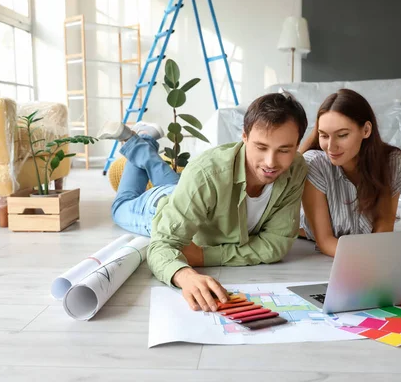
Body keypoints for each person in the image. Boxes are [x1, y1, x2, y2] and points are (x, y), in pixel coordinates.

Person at [97, 92, 308, 312]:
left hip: (191, 193)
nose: (271, 162)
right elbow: (161, 246)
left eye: (284, 150)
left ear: (297, 145)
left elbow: (276, 245)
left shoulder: (295, 168)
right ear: (244, 137)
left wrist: (204, 256)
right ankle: (138, 141)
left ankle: (143, 139)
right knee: (120, 206)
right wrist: (184, 275)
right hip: (159, 207)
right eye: (261, 147)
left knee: (185, 183)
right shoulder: (206, 173)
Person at [298, 88, 401, 257]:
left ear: (366, 130)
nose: (331, 147)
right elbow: (325, 240)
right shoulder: (314, 162)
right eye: (324, 135)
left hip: (360, 246)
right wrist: (365, 258)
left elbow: (385, 222)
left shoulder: (392, 162)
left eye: (342, 135)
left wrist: (378, 256)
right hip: (314, 240)